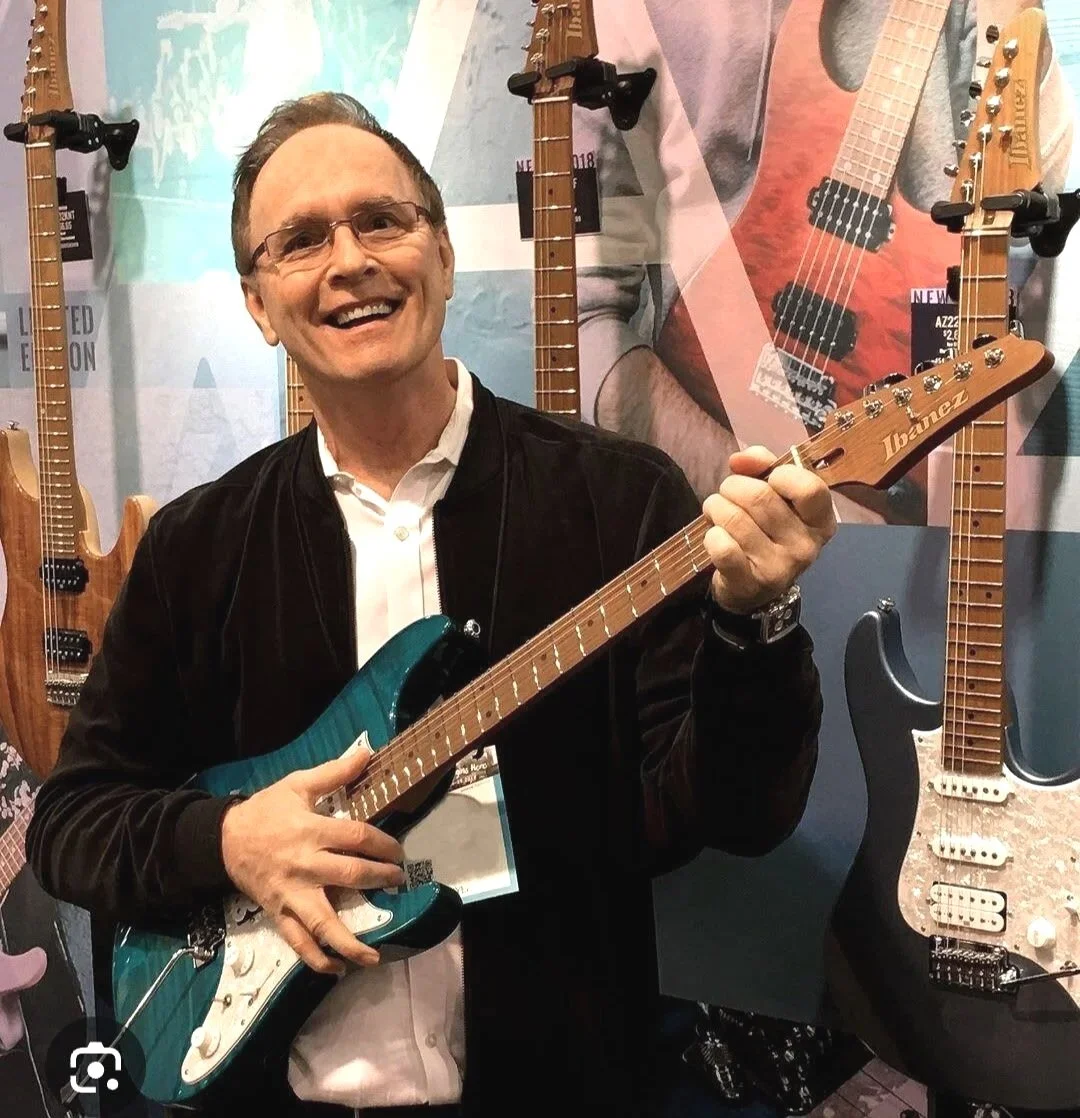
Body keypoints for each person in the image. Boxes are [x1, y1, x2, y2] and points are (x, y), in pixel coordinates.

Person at [26, 93, 834, 1117]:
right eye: (301, 240)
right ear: (257, 302)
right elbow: (74, 822)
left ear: (441, 255)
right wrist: (228, 839)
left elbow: (734, 810)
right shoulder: (199, 544)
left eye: (382, 220)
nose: (350, 259)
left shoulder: (623, 499)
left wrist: (754, 626)